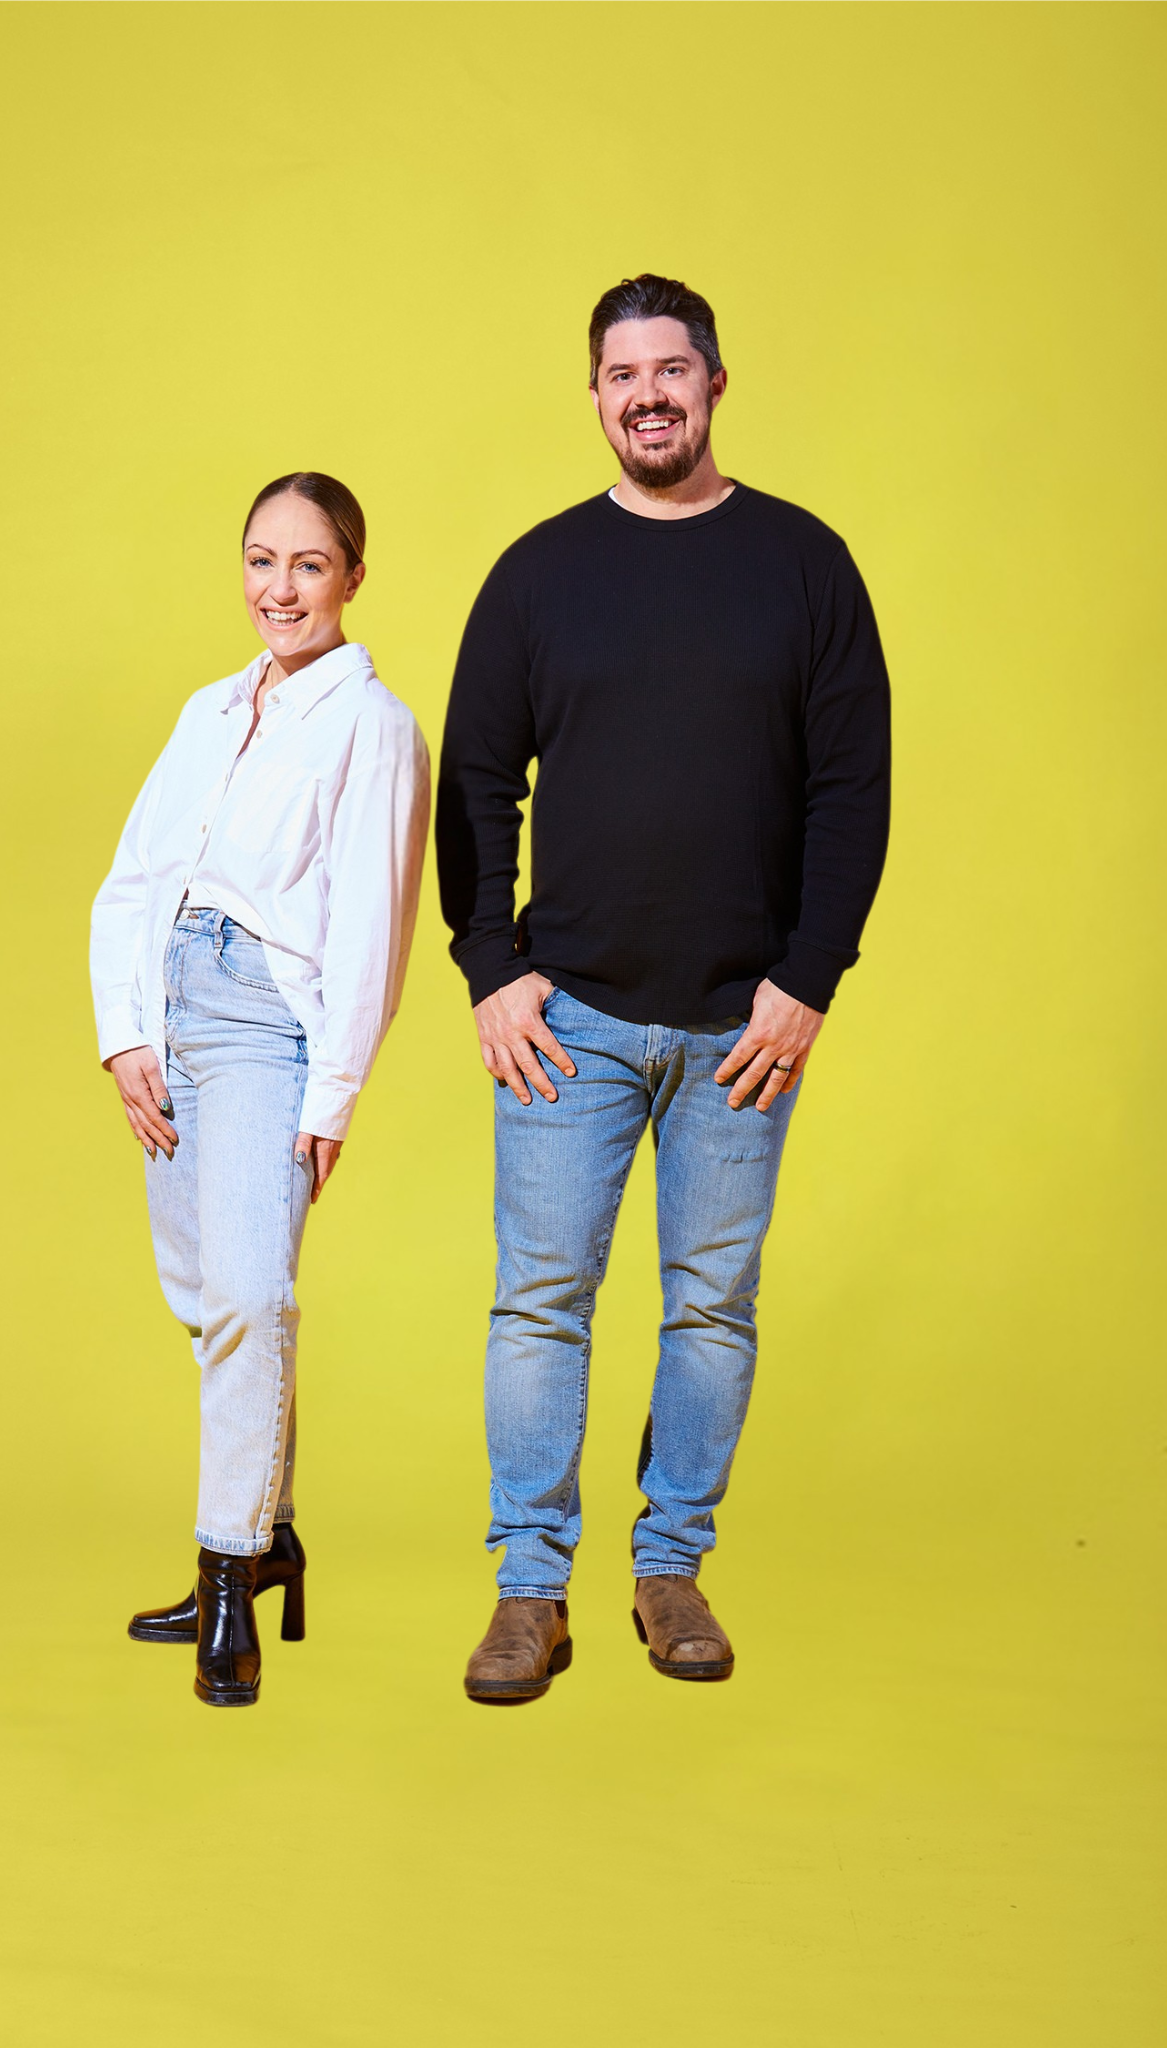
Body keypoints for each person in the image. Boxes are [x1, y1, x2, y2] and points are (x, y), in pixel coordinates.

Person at [438, 274, 891, 1704]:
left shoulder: (805, 564)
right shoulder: (537, 573)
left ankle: (669, 1568)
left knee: (710, 1306)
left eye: (671, 369)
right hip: (564, 1023)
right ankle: (530, 1590)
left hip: (742, 1028)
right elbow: (473, 782)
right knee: (539, 1305)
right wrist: (491, 970)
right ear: (594, 394)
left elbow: (852, 787)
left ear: (713, 383)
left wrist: (807, 979)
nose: (647, 394)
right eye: (622, 373)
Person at [91, 472, 429, 1708]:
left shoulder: (373, 725)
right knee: (207, 1300)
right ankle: (267, 1529)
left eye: (308, 564)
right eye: (260, 560)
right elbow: (133, 878)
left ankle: (228, 1577)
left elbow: (373, 930)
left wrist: (330, 1097)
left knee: (248, 1293)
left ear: (352, 576)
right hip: (170, 1012)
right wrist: (125, 1034)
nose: (279, 588)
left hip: (261, 1022)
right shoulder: (207, 710)